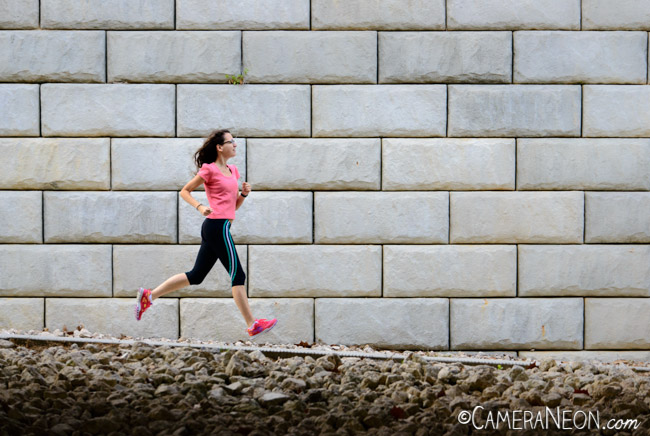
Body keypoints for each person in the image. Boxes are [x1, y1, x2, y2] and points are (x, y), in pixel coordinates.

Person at [134, 129, 277, 337]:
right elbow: (184, 191)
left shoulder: (233, 171)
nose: (235, 144)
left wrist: (244, 194)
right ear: (220, 147)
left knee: (197, 275)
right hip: (216, 226)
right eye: (231, 141)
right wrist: (200, 207)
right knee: (238, 274)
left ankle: (149, 295)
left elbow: (232, 207)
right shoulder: (209, 169)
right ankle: (252, 324)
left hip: (220, 226)